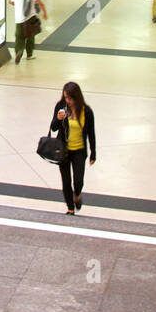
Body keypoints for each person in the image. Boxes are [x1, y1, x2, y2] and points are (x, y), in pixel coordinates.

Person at [51, 82, 96, 215]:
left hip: (79, 151)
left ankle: (77, 195)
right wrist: (58, 119)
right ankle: (70, 208)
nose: (68, 101)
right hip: (63, 150)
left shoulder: (86, 111)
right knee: (66, 181)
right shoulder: (60, 107)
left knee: (78, 180)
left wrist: (93, 152)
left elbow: (91, 133)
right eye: (66, 98)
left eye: (70, 98)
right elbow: (53, 128)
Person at [9, 0, 48, 65]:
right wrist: (45, 13)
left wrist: (18, 5)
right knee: (30, 36)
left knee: (19, 37)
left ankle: (19, 51)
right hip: (31, 18)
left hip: (19, 19)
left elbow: (11, 2)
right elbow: (40, 3)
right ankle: (29, 54)